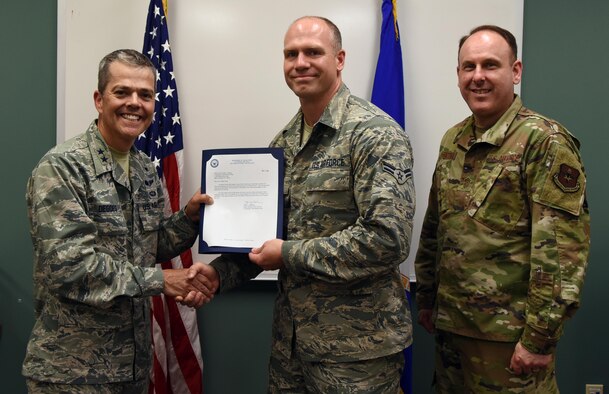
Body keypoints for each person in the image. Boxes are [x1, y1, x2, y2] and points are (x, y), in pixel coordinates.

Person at [202, 16, 415, 393]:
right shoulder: (281, 144)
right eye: (291, 54)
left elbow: (387, 239)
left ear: (340, 59)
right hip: (292, 346)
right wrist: (216, 276)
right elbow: (265, 236)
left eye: (313, 52)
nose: (300, 62)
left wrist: (289, 254)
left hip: (357, 353)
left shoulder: (374, 133)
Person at [22, 49, 217, 393]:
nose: (134, 103)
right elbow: (71, 268)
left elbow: (153, 243)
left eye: (145, 95)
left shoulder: (142, 167)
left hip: (132, 370)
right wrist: (161, 280)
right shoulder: (62, 168)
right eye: (122, 92)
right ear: (99, 99)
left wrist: (189, 218)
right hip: (73, 374)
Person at [415, 25, 590, 393]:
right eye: (468, 67)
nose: (477, 76)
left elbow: (560, 252)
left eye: (490, 65)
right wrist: (428, 297)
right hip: (452, 332)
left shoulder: (544, 142)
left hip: (509, 342)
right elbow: (436, 226)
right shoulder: (454, 139)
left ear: (515, 71)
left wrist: (539, 338)